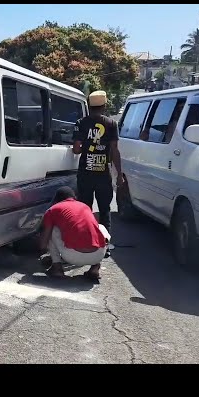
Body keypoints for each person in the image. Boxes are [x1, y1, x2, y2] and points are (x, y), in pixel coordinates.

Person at [72, 90, 123, 256]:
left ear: (89, 105)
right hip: (103, 175)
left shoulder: (81, 122)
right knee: (104, 210)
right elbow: (115, 151)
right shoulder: (111, 124)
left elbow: (76, 149)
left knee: (84, 210)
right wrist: (119, 174)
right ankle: (104, 246)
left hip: (85, 173)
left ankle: (85, 243)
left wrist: (88, 146)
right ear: (104, 105)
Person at [38, 186, 110, 280]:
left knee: (53, 229)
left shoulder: (53, 209)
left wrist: (43, 252)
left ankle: (57, 268)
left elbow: (44, 239)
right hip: (98, 255)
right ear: (74, 197)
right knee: (100, 227)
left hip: (72, 257)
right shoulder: (85, 206)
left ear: (56, 199)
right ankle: (95, 268)